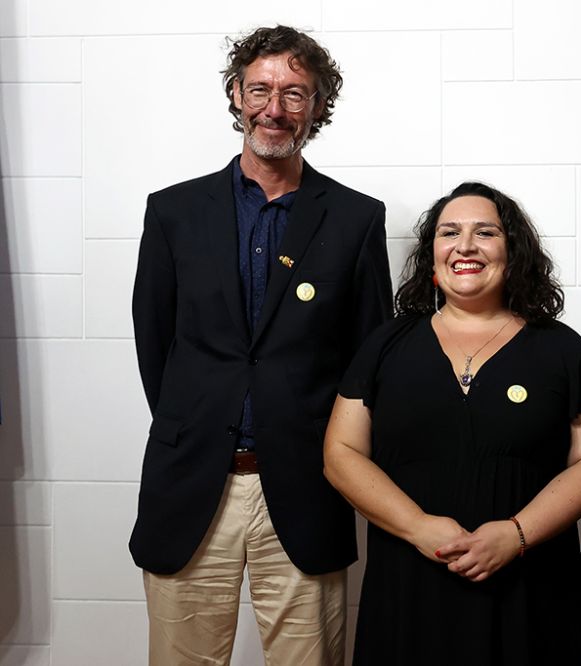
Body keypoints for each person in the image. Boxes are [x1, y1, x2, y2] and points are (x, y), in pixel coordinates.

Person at [130, 25, 392, 665]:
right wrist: (197, 424)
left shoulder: (357, 219)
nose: (275, 108)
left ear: (317, 106)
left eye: (294, 93)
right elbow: (154, 341)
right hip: (192, 482)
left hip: (307, 488)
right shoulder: (172, 212)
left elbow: (368, 361)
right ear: (236, 95)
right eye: (260, 90)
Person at [323, 181, 581, 665]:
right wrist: (418, 527)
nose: (465, 246)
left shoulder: (561, 348)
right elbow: (340, 453)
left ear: (513, 251)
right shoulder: (385, 345)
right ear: (431, 255)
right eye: (449, 232)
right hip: (410, 589)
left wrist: (517, 534)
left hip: (531, 592)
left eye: (485, 232)